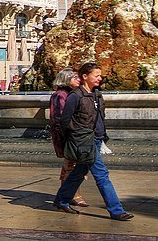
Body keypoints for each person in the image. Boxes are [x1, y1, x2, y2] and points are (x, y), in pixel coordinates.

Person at [54, 62, 132, 221]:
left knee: (80, 172)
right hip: (85, 142)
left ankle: (61, 200)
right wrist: (77, 137)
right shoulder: (75, 96)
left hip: (96, 140)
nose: (100, 78)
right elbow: (64, 121)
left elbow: (99, 118)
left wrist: (102, 135)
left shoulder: (97, 94)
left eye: (100, 75)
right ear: (85, 76)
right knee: (102, 175)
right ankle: (116, 210)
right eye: (96, 75)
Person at [48, 69, 89, 208]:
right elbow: (60, 118)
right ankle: (73, 195)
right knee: (72, 165)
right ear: (66, 80)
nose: (79, 80)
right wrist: (70, 135)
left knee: (69, 165)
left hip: (69, 135)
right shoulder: (61, 95)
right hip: (67, 136)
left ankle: (66, 194)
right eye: (75, 78)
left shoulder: (67, 93)